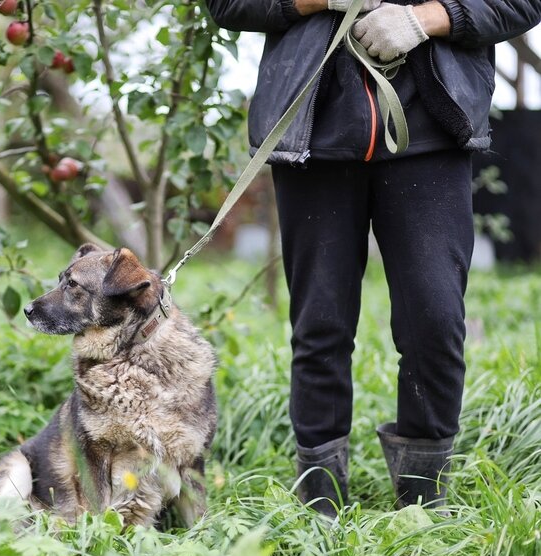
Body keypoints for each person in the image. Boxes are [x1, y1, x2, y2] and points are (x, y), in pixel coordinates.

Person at [204, 0, 541, 515]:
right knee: (320, 325)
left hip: (431, 133)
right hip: (313, 133)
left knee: (436, 322)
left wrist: (425, 18)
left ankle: (422, 505)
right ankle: (321, 505)